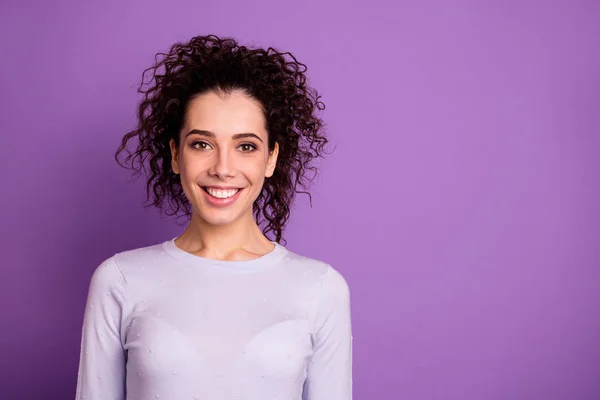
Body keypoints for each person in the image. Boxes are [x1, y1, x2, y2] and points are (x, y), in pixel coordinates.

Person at [75, 35, 352, 400]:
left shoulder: (321, 289)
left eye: (246, 146)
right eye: (202, 144)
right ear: (176, 155)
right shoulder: (120, 280)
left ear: (270, 158)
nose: (223, 168)